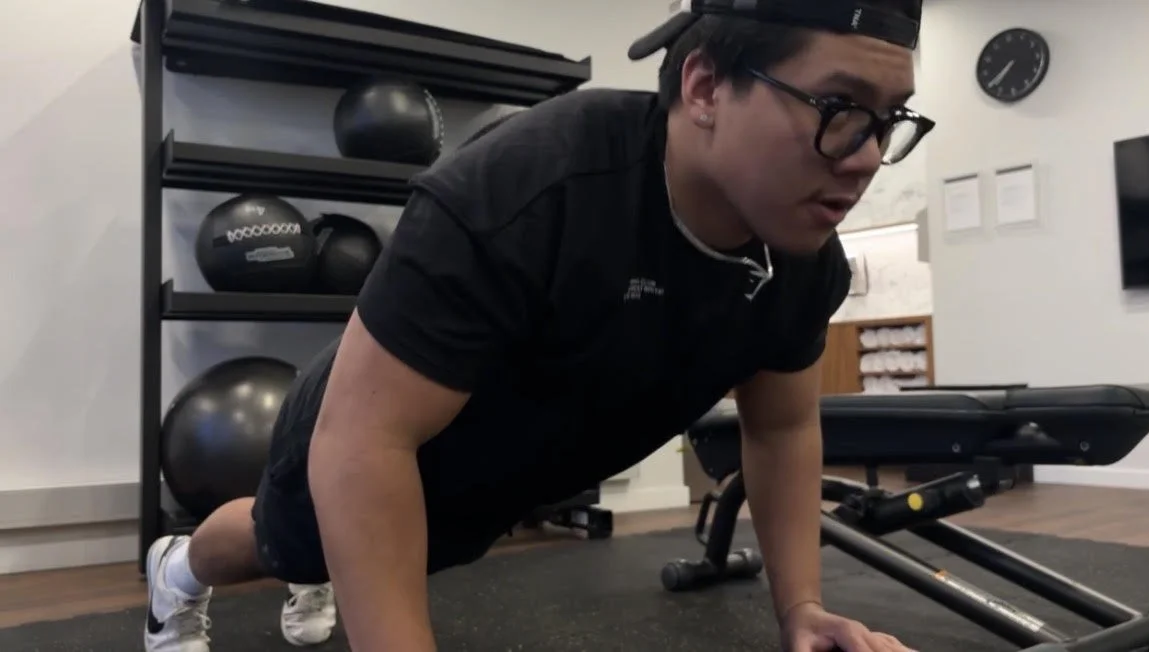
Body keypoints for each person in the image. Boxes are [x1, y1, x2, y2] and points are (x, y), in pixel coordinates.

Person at [143, 0, 935, 650]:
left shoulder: (803, 258)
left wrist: (800, 610)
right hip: (376, 437)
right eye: (838, 110)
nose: (866, 157)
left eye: (887, 118)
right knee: (275, 544)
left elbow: (783, 428)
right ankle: (175, 569)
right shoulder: (522, 189)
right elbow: (362, 441)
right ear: (703, 87)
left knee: (404, 554)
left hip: (506, 479)